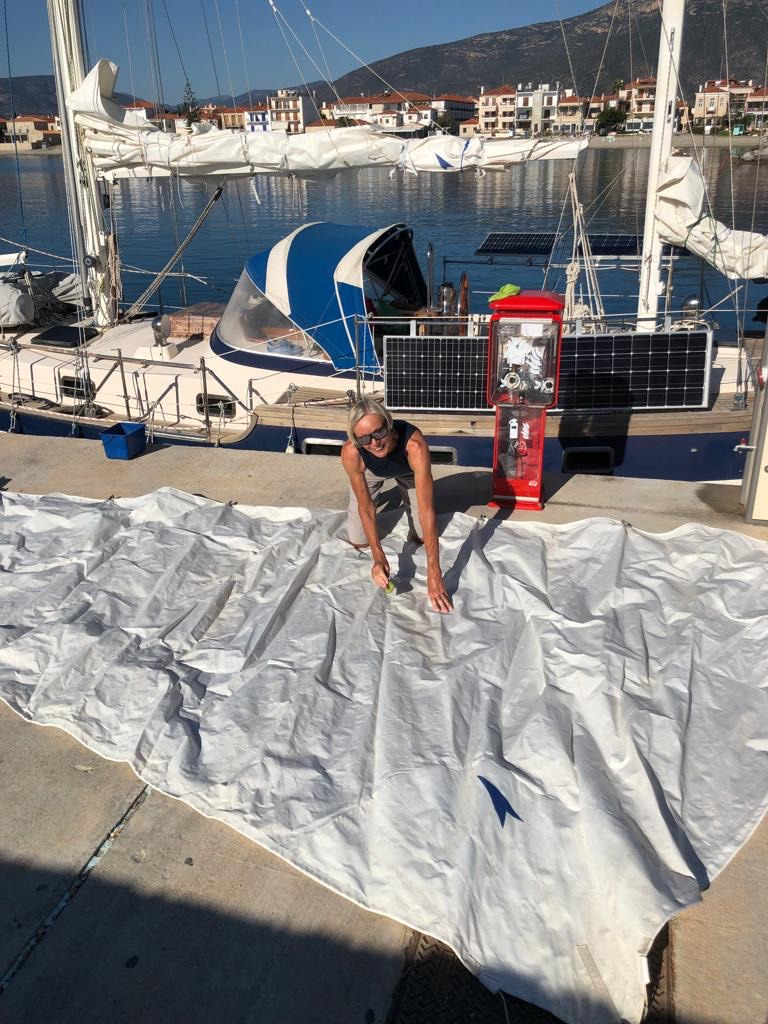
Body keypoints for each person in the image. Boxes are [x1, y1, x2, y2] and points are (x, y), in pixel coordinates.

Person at [341, 398, 453, 614]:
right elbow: (366, 506)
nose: (375, 443)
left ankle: (404, 491)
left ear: (389, 424)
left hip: (408, 470)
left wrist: (434, 573)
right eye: (364, 439)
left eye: (379, 433)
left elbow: (427, 511)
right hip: (371, 471)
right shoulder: (352, 452)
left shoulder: (415, 446)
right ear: (356, 440)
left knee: (422, 536)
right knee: (359, 539)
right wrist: (378, 557)